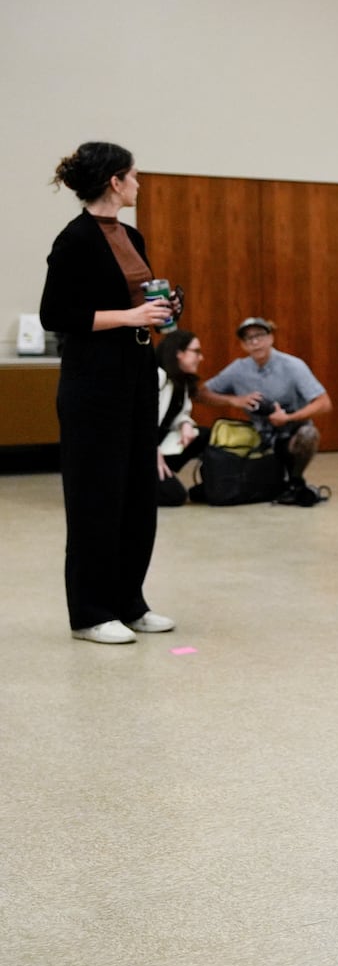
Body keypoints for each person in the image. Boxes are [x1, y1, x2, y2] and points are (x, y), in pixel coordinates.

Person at [39, 142, 177, 645]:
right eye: (134, 176)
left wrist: (161, 305)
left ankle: (129, 602)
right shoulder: (74, 239)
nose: (139, 184)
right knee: (96, 495)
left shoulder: (132, 234)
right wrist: (131, 317)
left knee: (138, 492)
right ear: (115, 182)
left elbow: (137, 296)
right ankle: (91, 613)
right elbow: (57, 315)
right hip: (92, 381)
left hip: (135, 371)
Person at [202, 317, 332, 506]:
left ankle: (295, 479)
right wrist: (233, 400)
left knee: (308, 434)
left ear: (271, 338)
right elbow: (201, 393)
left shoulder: (293, 366)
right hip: (258, 437)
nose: (255, 342)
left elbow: (324, 403)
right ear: (243, 345)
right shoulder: (238, 369)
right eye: (248, 339)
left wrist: (288, 417)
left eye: (260, 336)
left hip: (290, 434)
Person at [154, 329, 210, 506]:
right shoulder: (156, 376)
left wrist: (185, 423)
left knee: (203, 434)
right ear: (178, 353)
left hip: (159, 445)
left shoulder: (181, 380)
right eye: (196, 352)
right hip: (137, 449)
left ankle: (209, 484)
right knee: (175, 496)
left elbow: (181, 413)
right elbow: (133, 422)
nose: (200, 358)